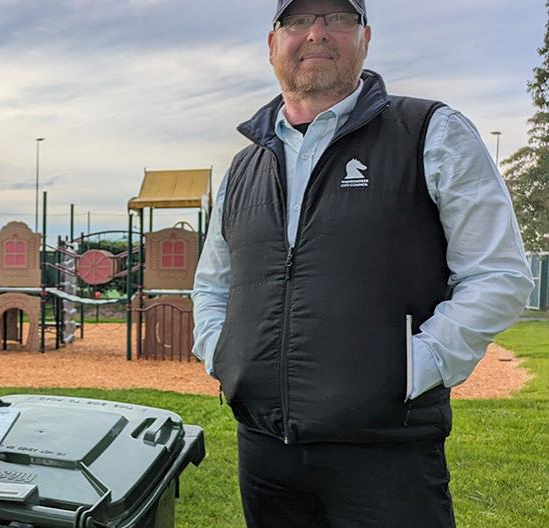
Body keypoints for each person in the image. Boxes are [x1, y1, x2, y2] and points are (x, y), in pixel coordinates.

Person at [191, 1, 534, 526]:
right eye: (299, 20)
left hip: (386, 451)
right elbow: (214, 284)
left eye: (338, 19)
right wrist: (222, 353)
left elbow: (498, 274)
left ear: (366, 38)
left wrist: (415, 368)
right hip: (265, 450)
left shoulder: (430, 132)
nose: (317, 33)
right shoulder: (245, 165)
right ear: (272, 42)